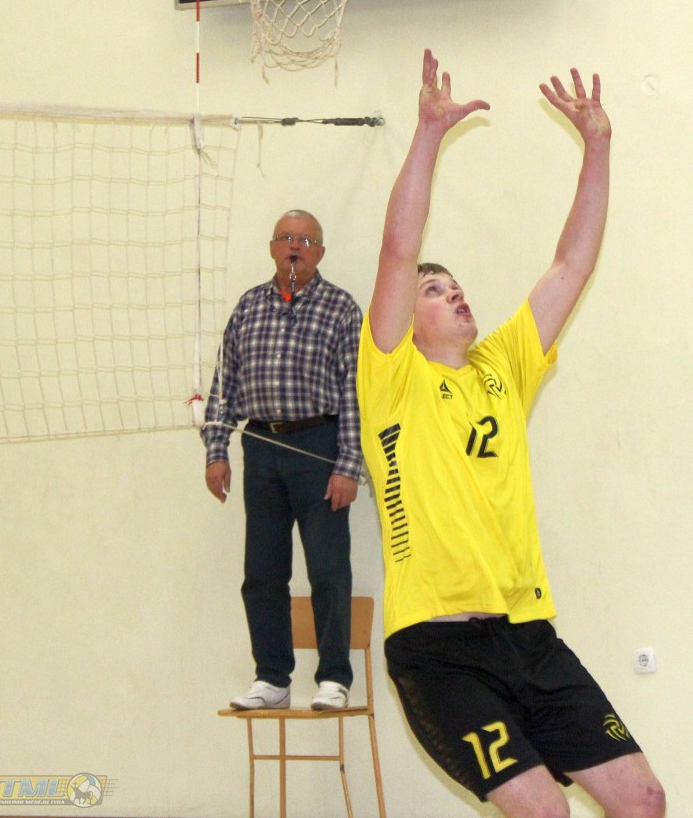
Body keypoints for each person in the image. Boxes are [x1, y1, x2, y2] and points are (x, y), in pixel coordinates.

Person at [356, 50, 666, 817]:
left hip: (528, 636)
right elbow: (398, 250)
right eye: (435, 290)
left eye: (457, 286)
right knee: (545, 811)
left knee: (642, 798)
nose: (454, 294)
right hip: (440, 652)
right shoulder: (392, 377)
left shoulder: (503, 365)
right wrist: (428, 134)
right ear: (405, 316)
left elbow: (572, 263)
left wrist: (598, 146)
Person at [202, 209, 362, 712]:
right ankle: (272, 678)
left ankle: (333, 677)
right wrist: (216, 451)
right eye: (287, 238)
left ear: (320, 252)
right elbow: (223, 387)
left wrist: (348, 465)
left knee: (328, 571)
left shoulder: (341, 308)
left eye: (306, 240)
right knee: (262, 573)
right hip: (260, 448)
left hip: (319, 448)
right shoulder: (248, 307)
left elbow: (356, 392)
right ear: (272, 247)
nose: (295, 247)